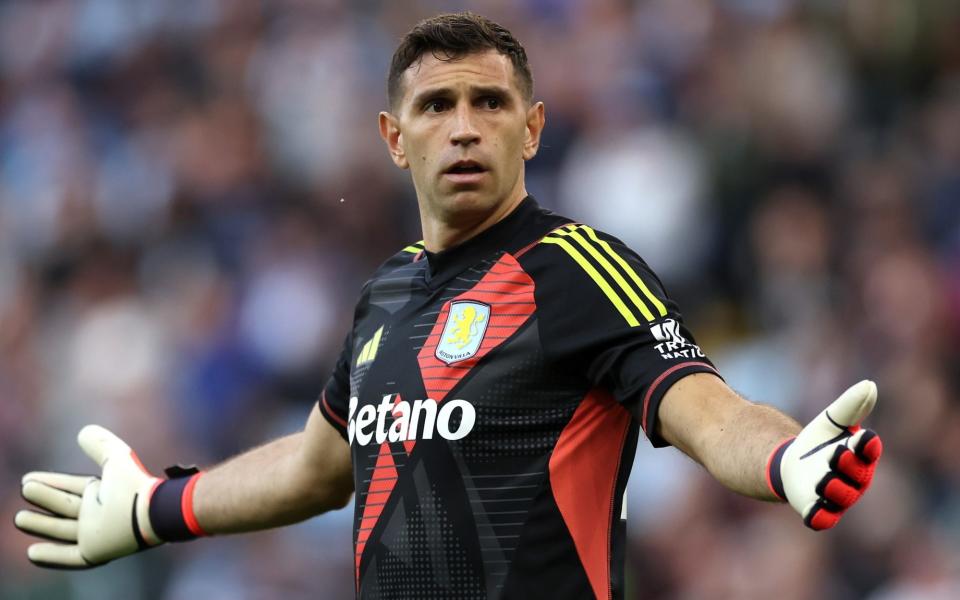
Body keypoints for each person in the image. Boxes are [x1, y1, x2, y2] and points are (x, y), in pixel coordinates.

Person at [15, 12, 882, 600]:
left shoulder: (578, 268)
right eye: (436, 106)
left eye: (489, 103)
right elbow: (321, 467)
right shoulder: (383, 294)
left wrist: (782, 460)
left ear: (532, 128)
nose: (464, 127)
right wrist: (154, 508)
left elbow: (708, 412)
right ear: (395, 138)